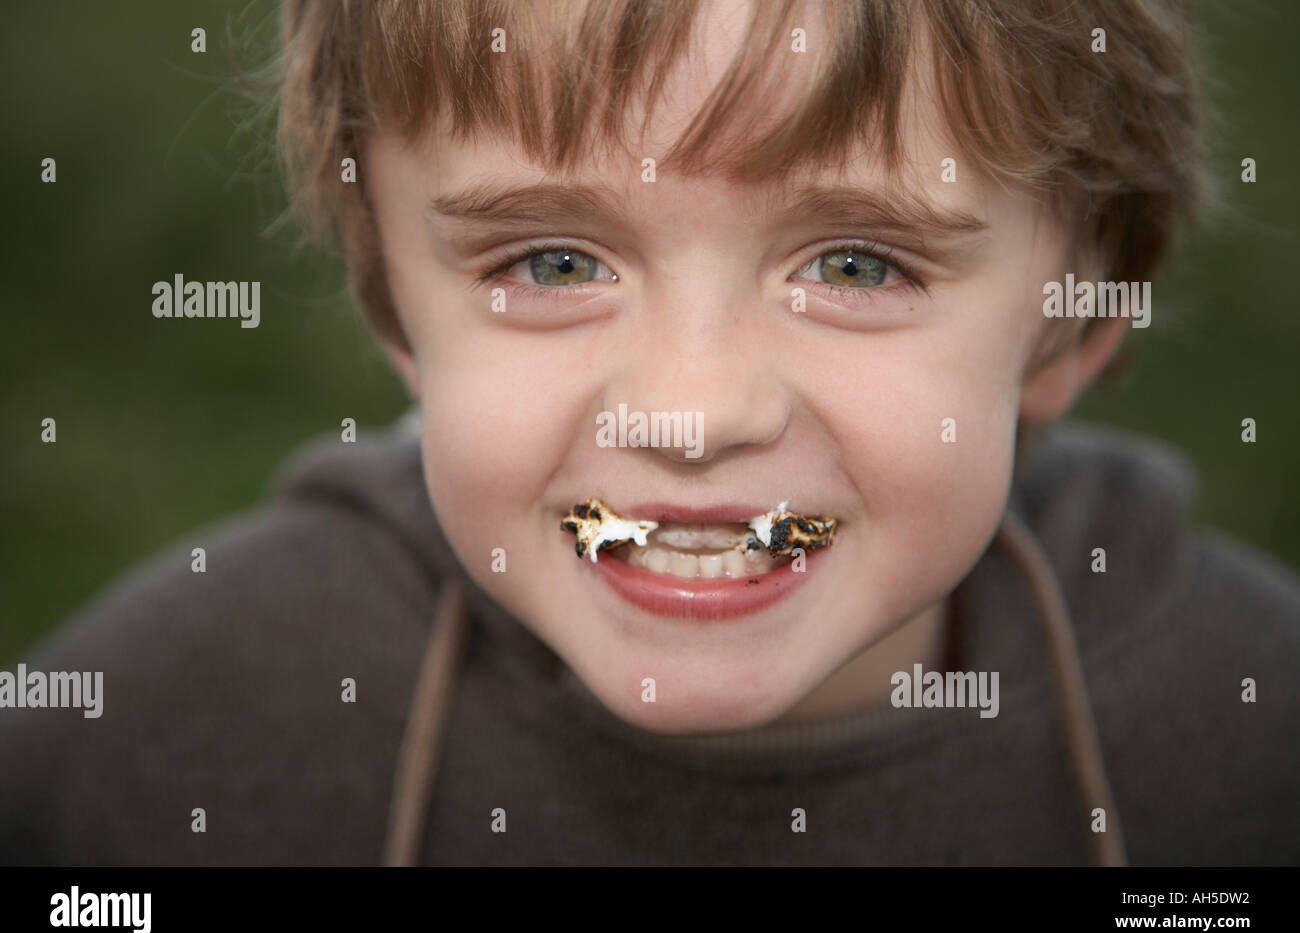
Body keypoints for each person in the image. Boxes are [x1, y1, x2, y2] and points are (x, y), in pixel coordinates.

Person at [2, 0, 1296, 865]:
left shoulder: (1245, 726)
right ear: (397, 309)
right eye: (554, 262)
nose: (690, 414)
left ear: (1073, 331)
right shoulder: (176, 720)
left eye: (856, 266)